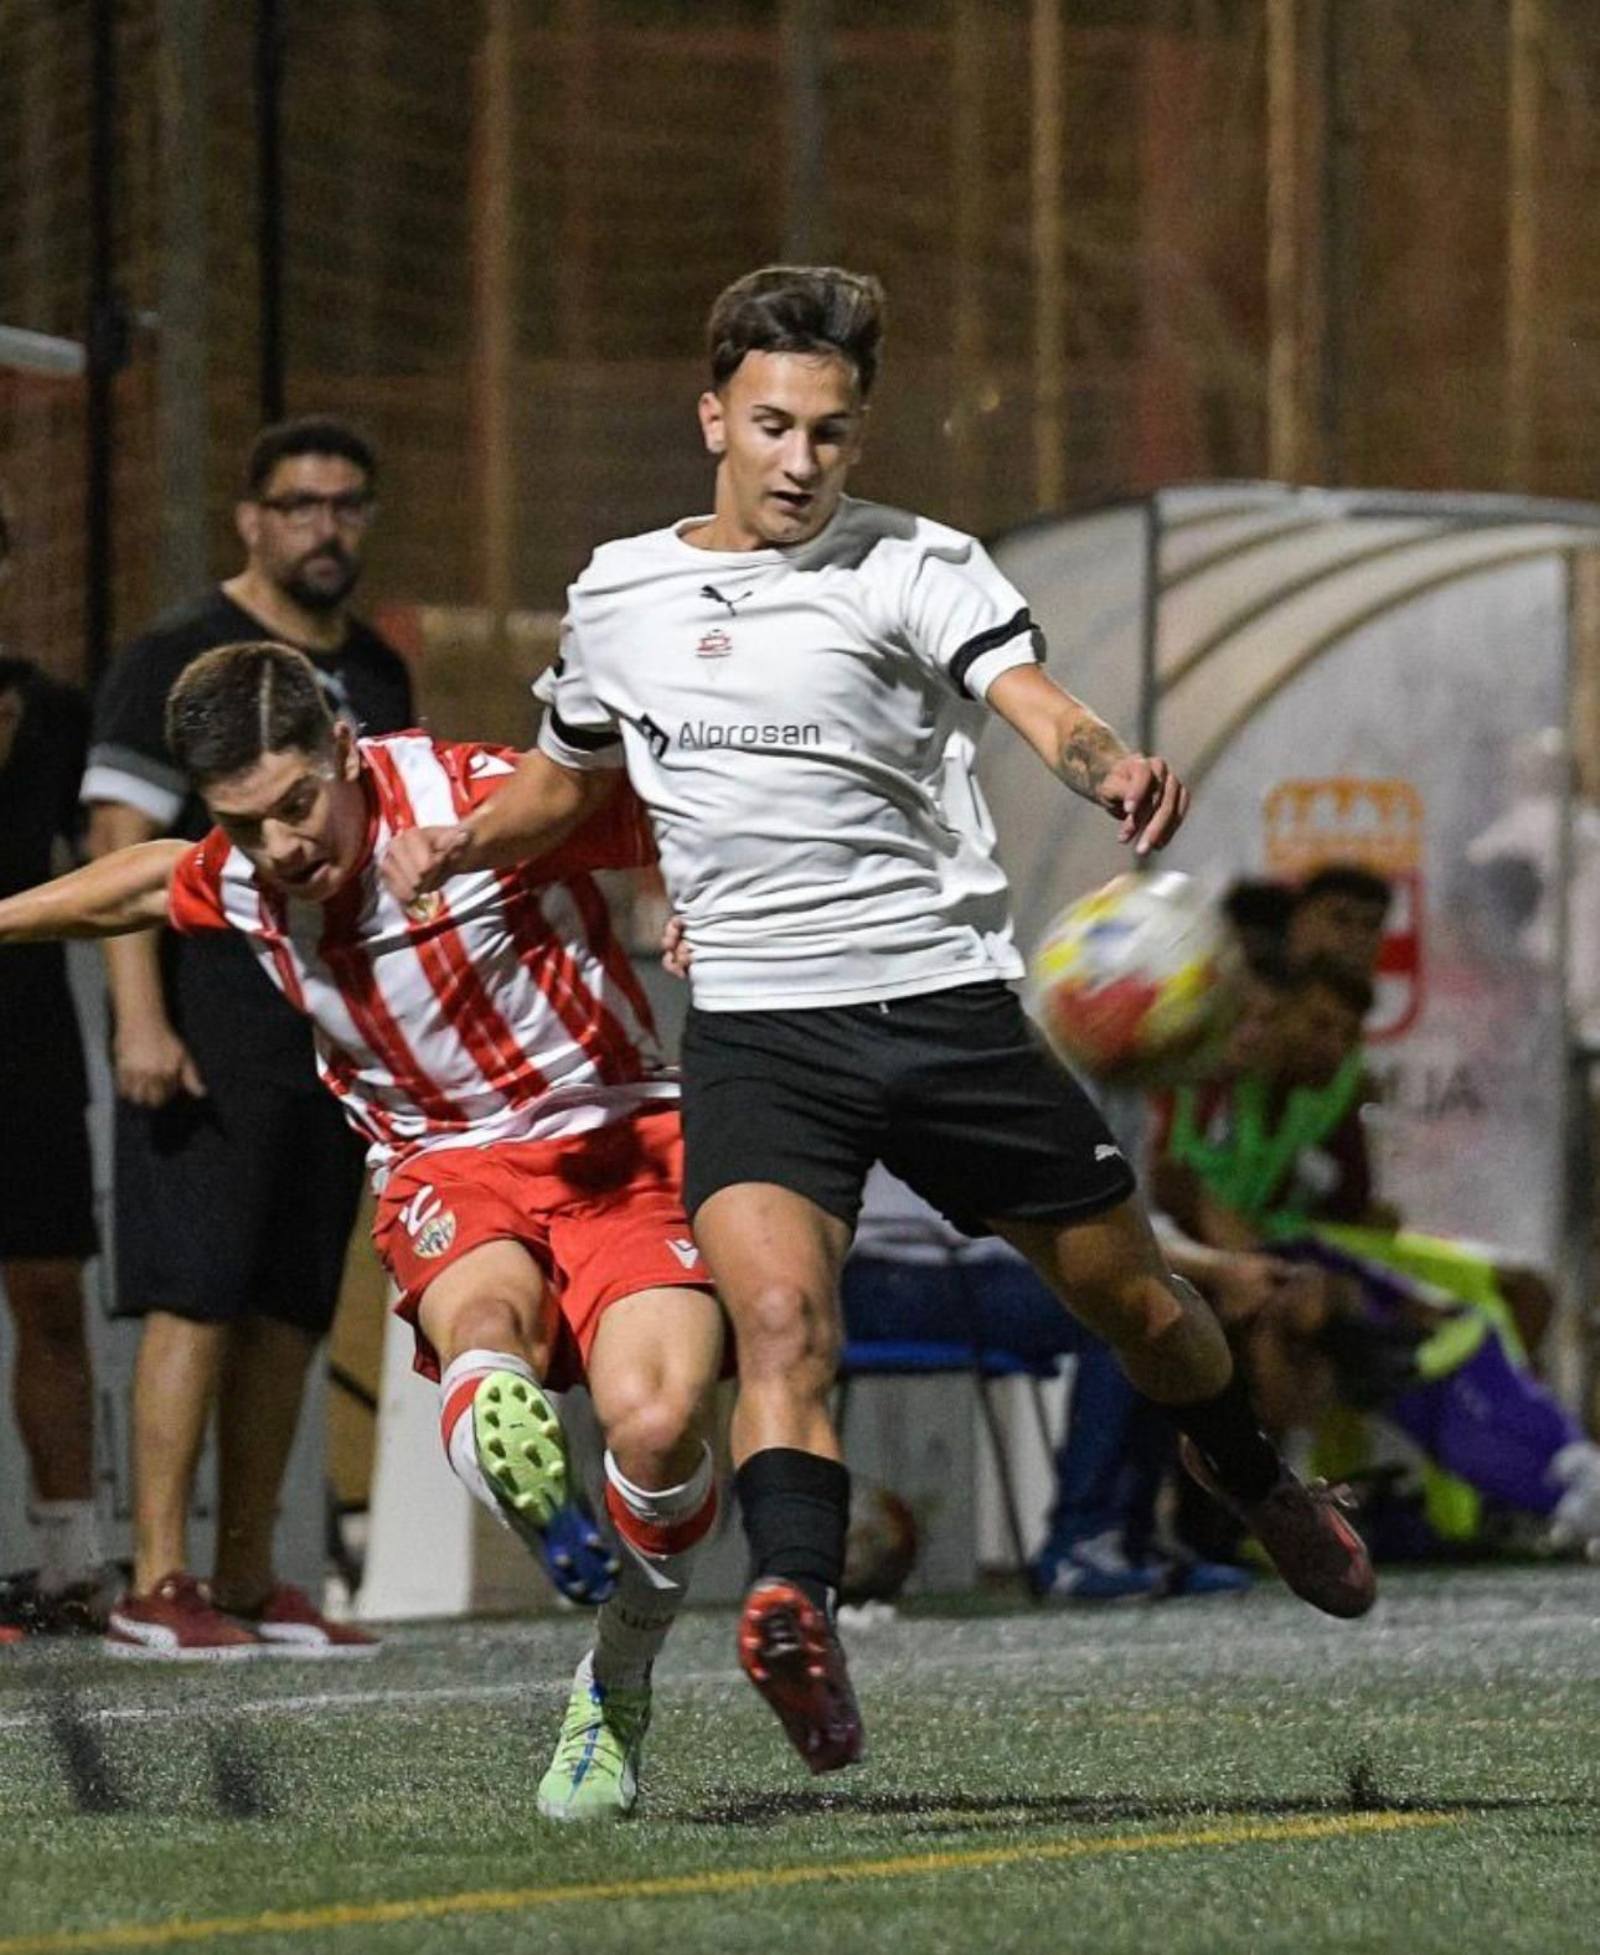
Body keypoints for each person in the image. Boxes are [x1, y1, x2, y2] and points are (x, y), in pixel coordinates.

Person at [382, 264, 1376, 1774]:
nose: (799, 461)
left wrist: (1106, 765)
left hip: (945, 1012)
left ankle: (1249, 1470)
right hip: (762, 1034)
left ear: (861, 435)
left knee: (1143, 1305)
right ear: (712, 413)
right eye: (773, 425)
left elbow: (1040, 702)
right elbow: (567, 773)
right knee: (780, 1325)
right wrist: (462, 840)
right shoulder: (618, 594)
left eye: (830, 434)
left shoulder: (918, 565)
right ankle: (798, 1608)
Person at [1, 641, 724, 1819]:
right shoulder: (248, 873)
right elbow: (137, 881)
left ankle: (616, 1676)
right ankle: (498, 1419)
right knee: (485, 1326)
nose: (283, 845)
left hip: (619, 1135)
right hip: (444, 1161)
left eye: (297, 804)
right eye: (247, 824)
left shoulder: (479, 797)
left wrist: (701, 900)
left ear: (344, 748)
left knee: (657, 1425)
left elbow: (674, 808)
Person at [80, 417, 414, 1658]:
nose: (324, 526)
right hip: (208, 1018)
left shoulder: (376, 670)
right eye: (299, 503)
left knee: (290, 1304)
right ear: (252, 518)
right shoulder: (177, 657)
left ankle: (244, 1575)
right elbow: (118, 851)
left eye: (346, 504)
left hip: (327, 1041)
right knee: (196, 1294)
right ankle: (154, 1578)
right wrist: (141, 1016)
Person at [0, 644, 109, 1635]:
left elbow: (105, 862)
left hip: (28, 1041)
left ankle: (71, 1564)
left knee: (50, 1295)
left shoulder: (57, 712)